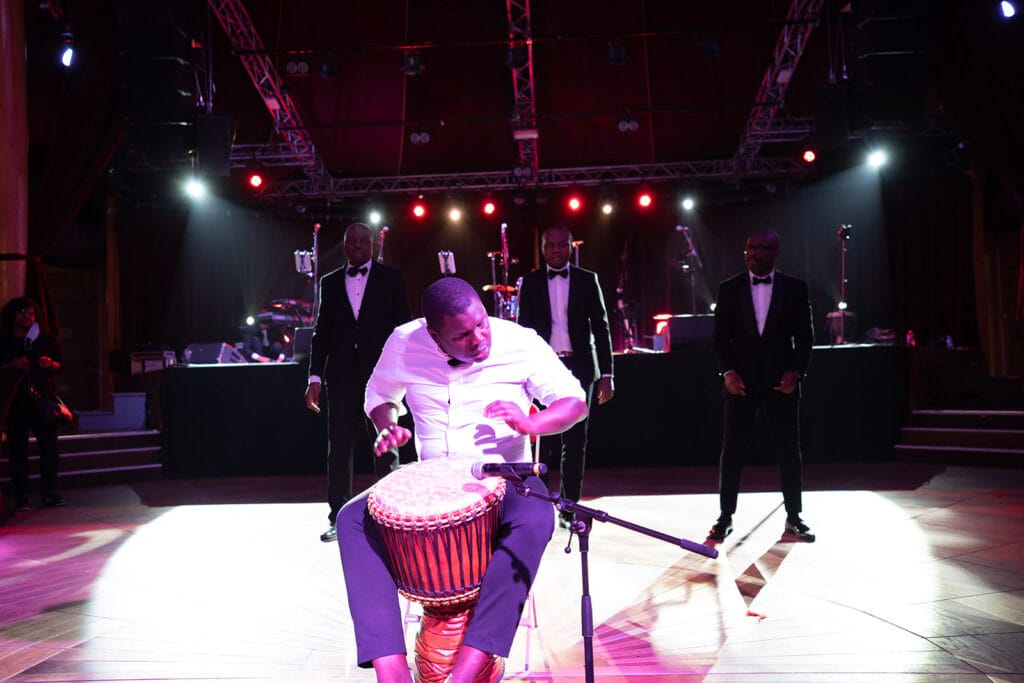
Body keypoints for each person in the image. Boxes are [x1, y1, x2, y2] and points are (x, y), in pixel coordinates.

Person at [336, 276, 587, 682]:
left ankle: (468, 669)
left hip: (506, 479)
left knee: (537, 519)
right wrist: (386, 424)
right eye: (463, 336)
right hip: (429, 481)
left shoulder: (520, 342)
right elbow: (378, 395)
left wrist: (530, 421)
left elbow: (574, 401)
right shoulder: (404, 342)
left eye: (481, 325)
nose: (479, 339)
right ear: (434, 335)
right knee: (351, 520)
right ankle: (391, 669)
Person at [305, 222, 412, 543]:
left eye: (363, 241)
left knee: (386, 447)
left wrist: (405, 372)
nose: (357, 246)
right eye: (351, 241)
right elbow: (321, 333)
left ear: (373, 245)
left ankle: (392, 516)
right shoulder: (331, 282)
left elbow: (404, 327)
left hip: (380, 377)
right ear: (344, 245)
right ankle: (337, 517)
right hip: (340, 378)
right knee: (338, 449)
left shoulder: (390, 278)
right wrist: (314, 376)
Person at [708, 229, 815, 543]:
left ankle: (794, 517)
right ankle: (725, 517)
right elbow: (719, 338)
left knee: (788, 451)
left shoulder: (796, 288)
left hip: (780, 383)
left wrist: (796, 372)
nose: (752, 253)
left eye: (761, 248)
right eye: (749, 247)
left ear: (776, 252)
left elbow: (806, 337)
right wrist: (727, 372)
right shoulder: (729, 288)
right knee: (733, 451)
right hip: (740, 383)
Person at [516, 224, 614, 528]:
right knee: (541, 440)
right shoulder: (530, 283)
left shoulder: (588, 280)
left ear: (571, 246)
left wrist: (607, 373)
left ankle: (570, 505)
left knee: (575, 440)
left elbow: (602, 327)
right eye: (550, 245)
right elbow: (524, 330)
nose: (556, 250)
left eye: (562, 245)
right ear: (543, 248)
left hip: (581, 367)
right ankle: (541, 503)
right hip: (544, 369)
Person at [0, 297, 67, 511]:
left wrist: (50, 364)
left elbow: (60, 365)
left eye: (30, 312)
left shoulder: (45, 339)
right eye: (21, 312)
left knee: (49, 449)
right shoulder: (4, 340)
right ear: (12, 315)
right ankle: (21, 497)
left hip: (42, 400)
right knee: (18, 450)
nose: (26, 316)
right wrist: (12, 365)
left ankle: (50, 493)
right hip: (16, 401)